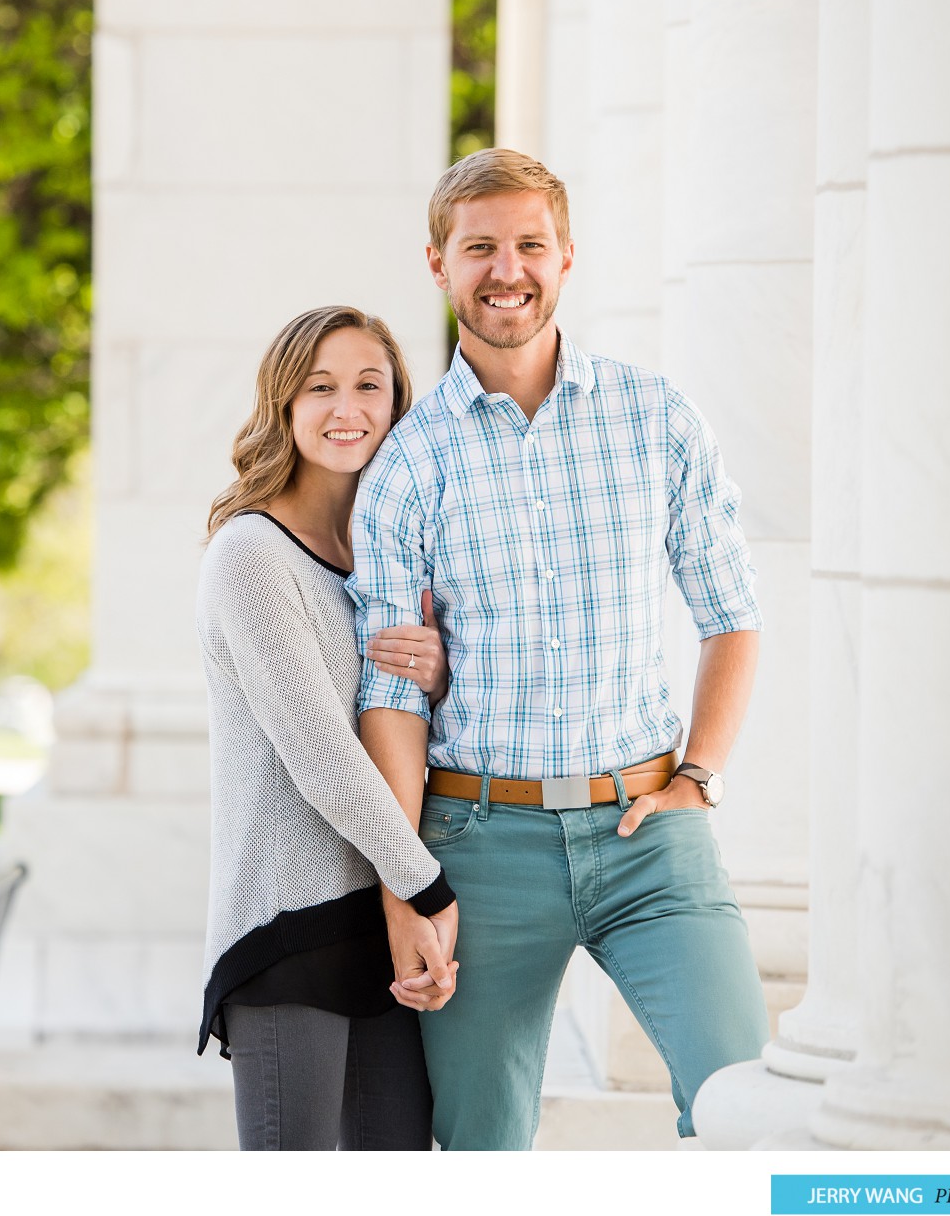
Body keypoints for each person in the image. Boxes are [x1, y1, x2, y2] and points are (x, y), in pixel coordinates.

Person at [351, 149, 771, 1150]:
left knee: (747, 1109)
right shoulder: (406, 462)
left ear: (567, 256)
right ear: (439, 263)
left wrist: (699, 776)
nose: (508, 270)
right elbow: (392, 698)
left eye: (530, 244)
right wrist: (405, 888)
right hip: (480, 841)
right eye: (481, 247)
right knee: (483, 1147)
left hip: (649, 834)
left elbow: (731, 614)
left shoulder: (655, 417)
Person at [195, 304, 462, 1151]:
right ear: (283, 402)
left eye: (368, 385)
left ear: (396, 403)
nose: (346, 407)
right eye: (320, 386)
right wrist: (428, 889)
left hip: (377, 915)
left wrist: (439, 674)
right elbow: (319, 752)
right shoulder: (252, 554)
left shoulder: (383, 555)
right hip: (292, 926)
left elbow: (407, 723)